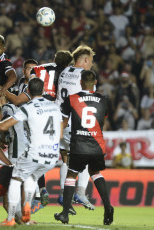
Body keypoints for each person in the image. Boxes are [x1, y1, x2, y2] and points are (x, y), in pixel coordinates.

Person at [0, 78, 63, 226]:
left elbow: (3, 125)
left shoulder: (17, 108)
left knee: (14, 182)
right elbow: (61, 132)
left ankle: (12, 218)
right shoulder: (54, 107)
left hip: (23, 152)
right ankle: (26, 211)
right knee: (30, 179)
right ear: (43, 90)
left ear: (28, 92)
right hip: (52, 155)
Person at [54, 70, 114, 225]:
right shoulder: (104, 99)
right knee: (96, 174)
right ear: (95, 83)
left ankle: (65, 213)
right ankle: (108, 208)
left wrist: (58, 137)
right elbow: (103, 123)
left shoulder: (72, 98)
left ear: (80, 82)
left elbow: (65, 123)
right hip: (96, 145)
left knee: (71, 175)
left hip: (79, 145)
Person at [55, 45, 96, 210]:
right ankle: (80, 192)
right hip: (76, 123)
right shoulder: (86, 76)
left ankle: (65, 195)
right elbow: (91, 102)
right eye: (91, 61)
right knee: (86, 159)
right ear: (85, 60)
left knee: (65, 157)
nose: (91, 65)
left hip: (60, 121)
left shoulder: (64, 72)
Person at [0, 50, 72, 106]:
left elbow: (17, 100)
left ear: (54, 59)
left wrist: (0, 88)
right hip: (56, 112)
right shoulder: (67, 73)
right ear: (67, 64)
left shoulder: (36, 69)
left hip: (36, 103)